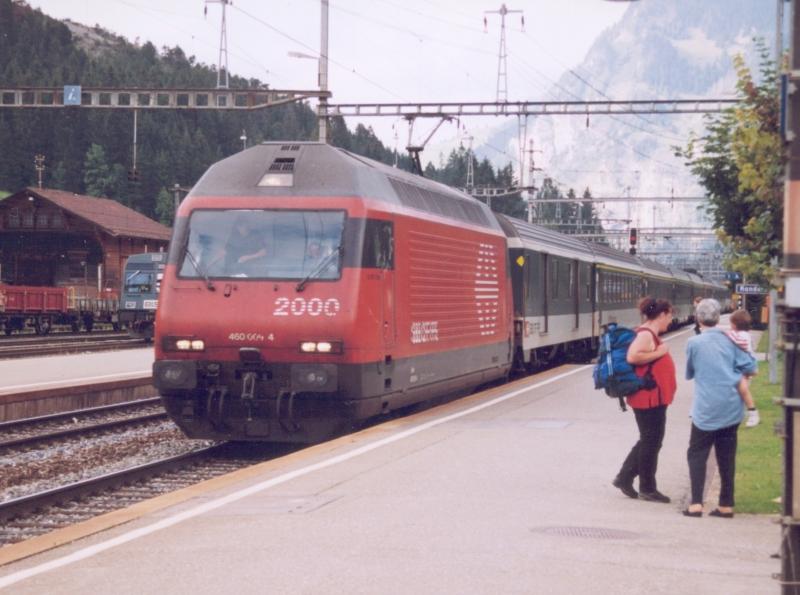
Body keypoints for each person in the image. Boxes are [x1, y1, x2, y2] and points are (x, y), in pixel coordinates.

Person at [683, 298, 758, 518]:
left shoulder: (694, 343)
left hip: (705, 408)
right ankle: (726, 505)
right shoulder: (731, 340)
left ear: (698, 318)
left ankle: (696, 503)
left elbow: (690, 372)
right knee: (726, 455)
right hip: (731, 407)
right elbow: (751, 367)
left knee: (697, 453)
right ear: (718, 318)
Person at [612, 297, 677, 504]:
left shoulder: (648, 333)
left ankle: (625, 477)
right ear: (662, 314)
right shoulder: (646, 334)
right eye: (670, 316)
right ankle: (647, 488)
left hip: (652, 396)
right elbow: (633, 356)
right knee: (651, 440)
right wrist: (660, 351)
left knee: (650, 439)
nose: (671, 320)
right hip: (648, 397)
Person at [726, 309, 760, 428]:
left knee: (743, 389)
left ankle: (753, 413)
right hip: (741, 365)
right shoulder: (740, 334)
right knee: (739, 391)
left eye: (731, 323)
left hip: (745, 365)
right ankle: (740, 413)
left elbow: (741, 343)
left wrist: (727, 334)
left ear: (735, 324)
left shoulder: (743, 335)